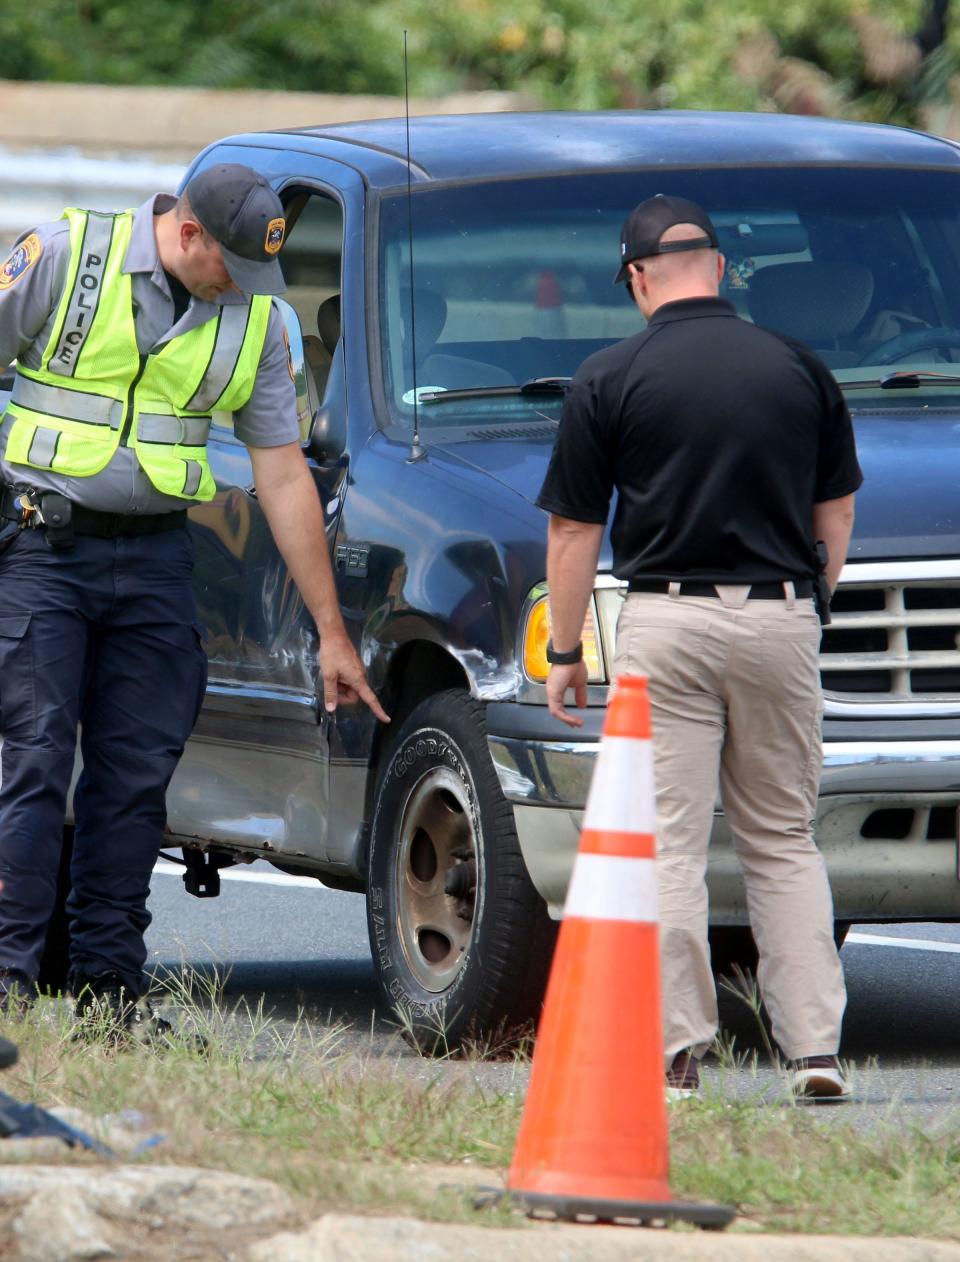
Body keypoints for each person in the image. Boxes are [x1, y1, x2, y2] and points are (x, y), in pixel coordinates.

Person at [0, 163, 389, 1040]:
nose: (243, 292)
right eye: (232, 268)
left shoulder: (255, 323)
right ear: (187, 235)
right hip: (42, 552)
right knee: (32, 766)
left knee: (136, 784)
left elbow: (283, 474)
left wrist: (331, 630)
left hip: (154, 564)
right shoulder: (69, 258)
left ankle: (109, 989)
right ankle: (7, 983)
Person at [536, 194, 861, 1101]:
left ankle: (679, 1052)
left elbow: (572, 534)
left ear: (639, 279)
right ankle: (813, 1053)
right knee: (784, 839)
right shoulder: (799, 368)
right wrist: (809, 600)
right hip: (780, 617)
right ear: (719, 269)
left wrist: (568, 652)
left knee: (669, 843)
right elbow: (834, 510)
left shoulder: (610, 375)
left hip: (665, 622)